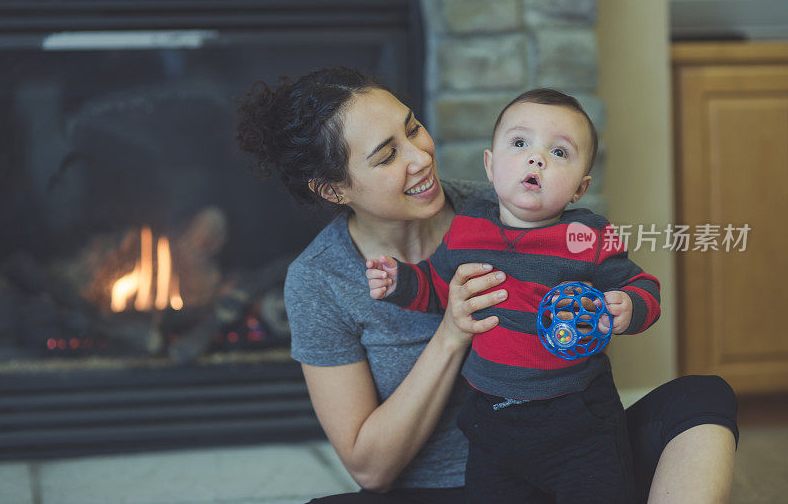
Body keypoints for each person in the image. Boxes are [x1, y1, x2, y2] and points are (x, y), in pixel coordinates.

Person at [236, 67, 739, 504]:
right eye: (388, 155)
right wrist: (453, 331)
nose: (420, 157)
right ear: (334, 189)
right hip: (460, 482)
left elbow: (599, 281)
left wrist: (619, 306)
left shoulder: (505, 206)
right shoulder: (320, 279)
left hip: (570, 450)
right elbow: (370, 470)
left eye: (413, 128)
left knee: (700, 398)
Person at [365, 88, 658, 503]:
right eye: (520, 144)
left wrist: (631, 305)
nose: (536, 158)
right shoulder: (468, 229)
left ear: (580, 187)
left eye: (559, 153)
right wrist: (400, 282)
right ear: (491, 165)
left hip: (577, 418)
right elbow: (439, 286)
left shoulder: (588, 236)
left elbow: (641, 283)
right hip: (493, 418)